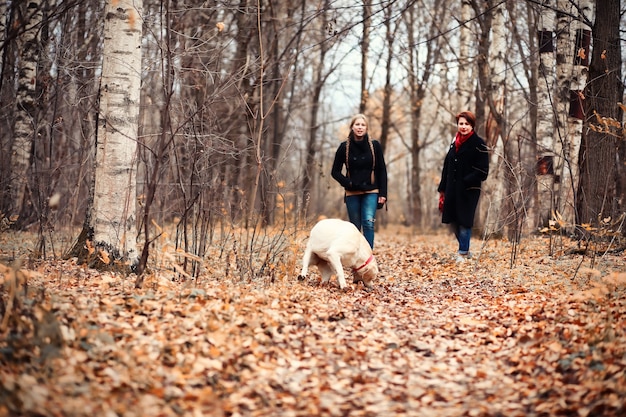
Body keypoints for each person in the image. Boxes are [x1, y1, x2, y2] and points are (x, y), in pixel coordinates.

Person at [437, 111, 489, 261]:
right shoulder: (455, 142)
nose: (463, 127)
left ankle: (463, 252)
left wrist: (466, 181)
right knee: (453, 219)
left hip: (469, 190)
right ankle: (465, 248)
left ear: (472, 125)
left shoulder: (479, 144)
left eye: (467, 124)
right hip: (451, 189)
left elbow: (483, 171)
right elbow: (447, 165)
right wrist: (442, 188)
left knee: (464, 220)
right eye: (461, 124)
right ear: (457, 124)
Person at [331, 113, 387, 249]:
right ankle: (356, 258)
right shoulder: (344, 147)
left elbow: (381, 170)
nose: (360, 127)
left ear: (367, 128)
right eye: (357, 124)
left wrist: (383, 194)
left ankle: (367, 259)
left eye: (363, 125)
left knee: (368, 222)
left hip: (371, 190)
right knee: (355, 228)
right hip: (352, 192)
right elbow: (335, 172)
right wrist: (348, 183)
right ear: (352, 127)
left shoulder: (375, 146)